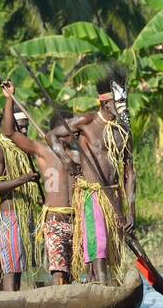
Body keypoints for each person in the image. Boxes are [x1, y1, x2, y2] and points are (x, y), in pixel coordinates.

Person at [56, 67, 134, 284]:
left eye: (125, 101)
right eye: (119, 102)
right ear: (105, 103)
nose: (124, 106)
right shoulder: (87, 122)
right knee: (97, 243)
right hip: (92, 195)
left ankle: (103, 284)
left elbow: (130, 172)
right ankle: (101, 286)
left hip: (114, 196)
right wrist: (67, 161)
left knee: (110, 246)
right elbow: (51, 135)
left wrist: (131, 213)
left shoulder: (124, 131)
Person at [0, 81, 76, 285]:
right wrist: (9, 99)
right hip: (55, 220)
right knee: (59, 272)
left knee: (74, 272)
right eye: (68, 129)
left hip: (77, 220)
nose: (73, 133)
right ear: (57, 131)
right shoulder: (44, 152)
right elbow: (10, 132)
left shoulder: (80, 155)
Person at [0, 108, 42, 290]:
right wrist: (24, 179)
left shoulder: (22, 150)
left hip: (24, 214)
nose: (24, 132)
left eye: (26, 128)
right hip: (10, 216)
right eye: (21, 128)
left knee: (19, 267)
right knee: (10, 268)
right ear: (10, 126)